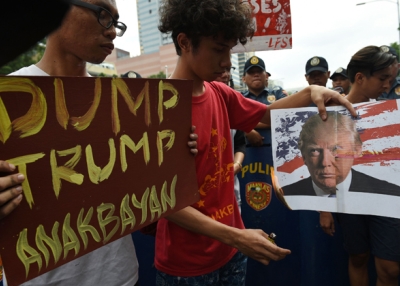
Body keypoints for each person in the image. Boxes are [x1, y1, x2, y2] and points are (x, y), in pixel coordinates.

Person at [154, 0, 356, 285]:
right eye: (218, 49)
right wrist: (237, 236)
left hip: (231, 250)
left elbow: (265, 115)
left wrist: (312, 91)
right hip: (188, 264)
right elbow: (163, 202)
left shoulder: (220, 94)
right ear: (185, 42)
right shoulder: (157, 109)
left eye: (229, 50)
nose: (226, 62)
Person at [2, 0, 199, 285]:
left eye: (116, 22)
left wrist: (175, 153)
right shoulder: (8, 99)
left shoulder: (125, 101)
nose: (113, 32)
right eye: (103, 15)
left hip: (120, 274)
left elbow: (142, 190)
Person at [326, 46, 400, 286]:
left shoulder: (391, 112)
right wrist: (323, 208)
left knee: (390, 268)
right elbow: (322, 161)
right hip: (349, 199)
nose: (387, 85)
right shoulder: (328, 114)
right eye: (382, 79)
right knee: (358, 257)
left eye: (390, 79)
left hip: (388, 197)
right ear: (360, 77)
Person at [283, 111, 400, 197]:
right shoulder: (288, 195)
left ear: (357, 150)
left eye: (336, 149)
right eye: (315, 151)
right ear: (304, 156)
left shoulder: (388, 193)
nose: (325, 162)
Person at [215, 69, 246, 212]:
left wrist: (237, 164)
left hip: (231, 192)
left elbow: (240, 143)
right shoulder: (193, 107)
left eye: (228, 70)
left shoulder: (232, 106)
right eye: (221, 70)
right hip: (205, 199)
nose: (225, 74)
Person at [242, 56, 287, 147]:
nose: (256, 75)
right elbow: (230, 124)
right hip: (248, 153)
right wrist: (246, 131)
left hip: (277, 149)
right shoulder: (239, 98)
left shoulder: (278, 93)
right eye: (251, 72)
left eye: (259, 71)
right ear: (244, 79)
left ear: (266, 76)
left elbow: (284, 119)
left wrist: (245, 127)